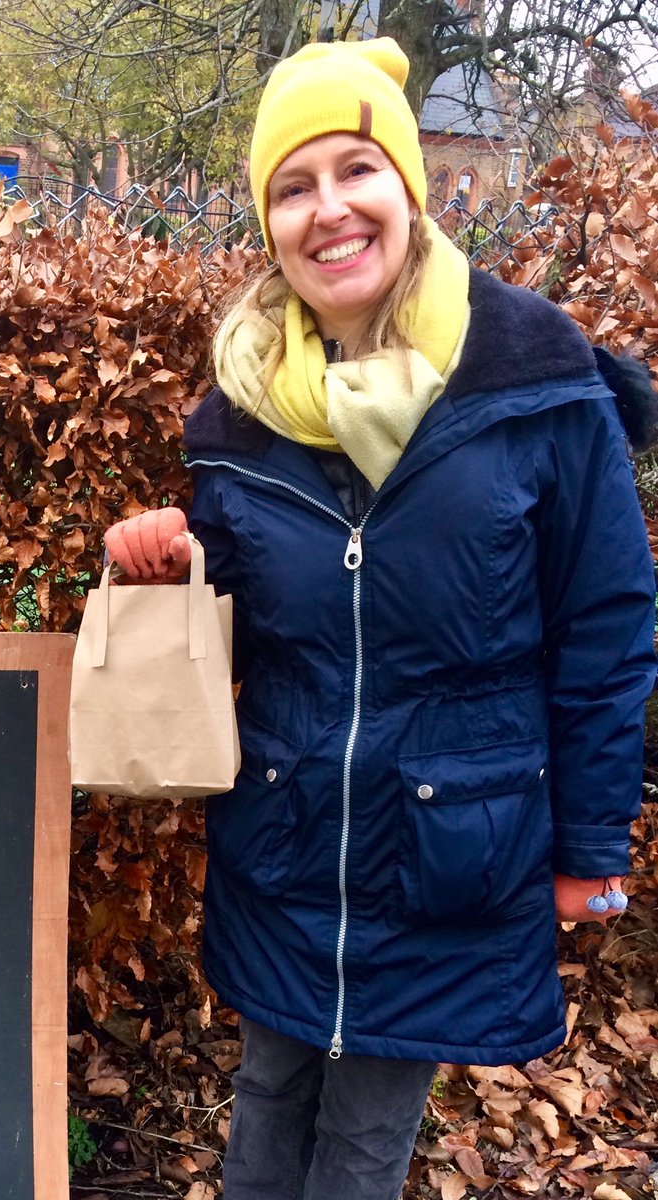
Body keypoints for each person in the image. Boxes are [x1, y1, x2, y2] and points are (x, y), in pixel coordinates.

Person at [102, 37, 657, 1200]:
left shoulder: (538, 388)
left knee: (361, 1145)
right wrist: (174, 571)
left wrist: (591, 850)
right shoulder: (239, 417)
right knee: (264, 1111)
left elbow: (606, 634)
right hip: (291, 840)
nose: (330, 210)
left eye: (356, 169)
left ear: (410, 186)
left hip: (456, 851)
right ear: (269, 221)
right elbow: (252, 635)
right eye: (293, 187)